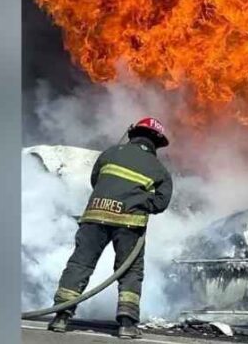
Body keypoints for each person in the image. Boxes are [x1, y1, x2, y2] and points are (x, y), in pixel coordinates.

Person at [48, 117, 174, 339]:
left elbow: (95, 180)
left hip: (94, 217)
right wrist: (139, 203)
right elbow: (161, 203)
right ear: (157, 142)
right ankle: (127, 324)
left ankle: (60, 317)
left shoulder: (109, 153)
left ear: (133, 134)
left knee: (80, 264)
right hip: (129, 223)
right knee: (130, 271)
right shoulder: (159, 170)